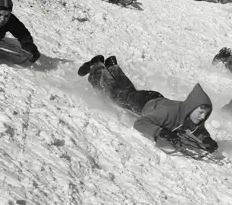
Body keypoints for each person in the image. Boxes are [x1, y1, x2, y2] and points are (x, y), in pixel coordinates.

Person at [77, 54, 217, 152]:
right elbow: (141, 123)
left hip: (155, 100)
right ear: (192, 107)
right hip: (143, 102)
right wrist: (161, 132)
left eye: (205, 114)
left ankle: (113, 67)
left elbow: (198, 130)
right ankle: (97, 65)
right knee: (116, 95)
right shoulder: (169, 113)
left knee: (127, 92)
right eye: (201, 112)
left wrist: (207, 139)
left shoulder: (190, 116)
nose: (202, 117)